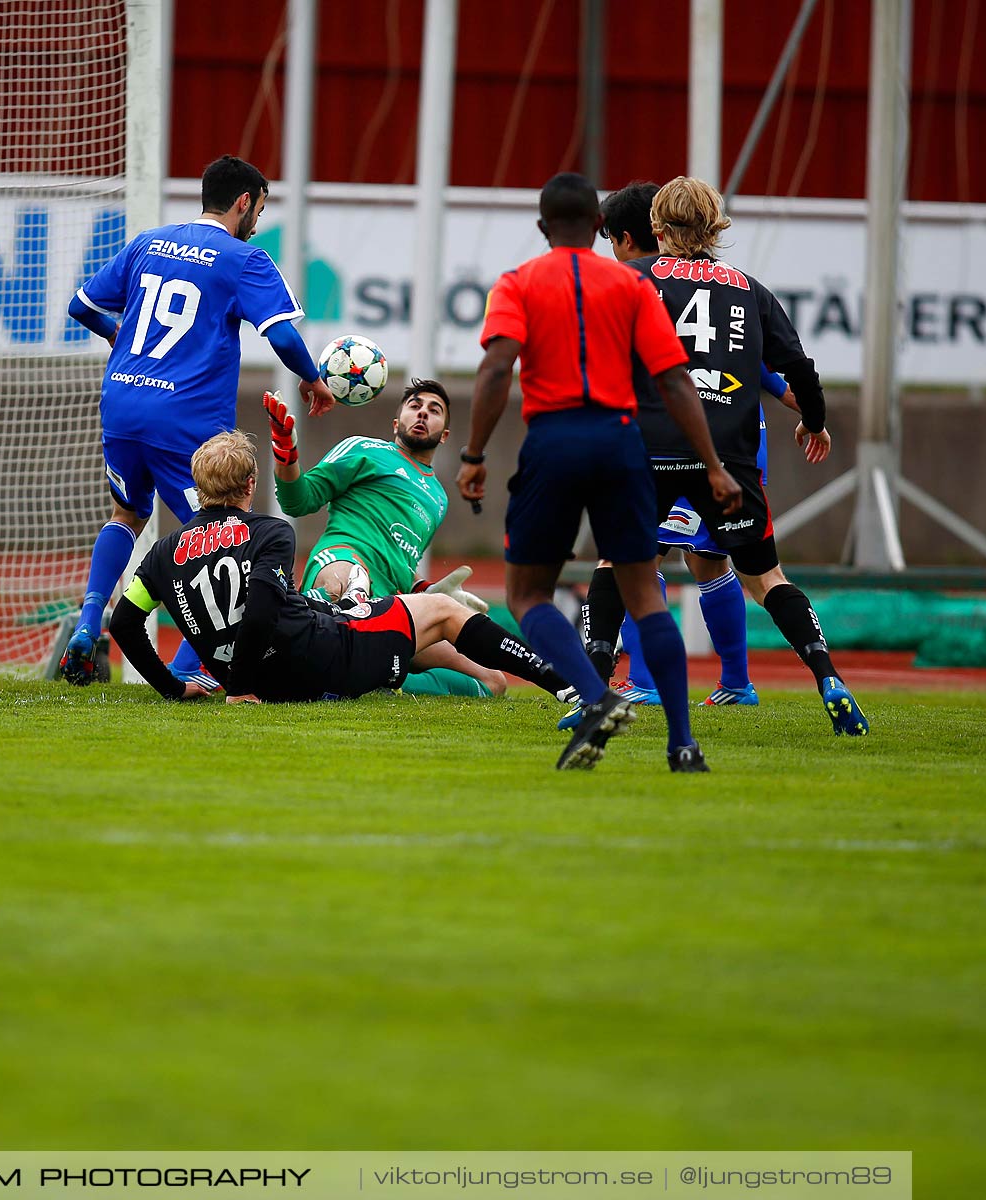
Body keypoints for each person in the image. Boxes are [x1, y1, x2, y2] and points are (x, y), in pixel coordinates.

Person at [105, 433, 617, 765]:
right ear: (249, 483)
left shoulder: (162, 554)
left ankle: (501, 673)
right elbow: (261, 603)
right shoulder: (270, 533)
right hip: (316, 658)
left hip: (273, 666)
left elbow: (126, 624)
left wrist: (174, 689)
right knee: (442, 612)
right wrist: (239, 687)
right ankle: (574, 689)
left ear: (198, 487)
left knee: (376, 604)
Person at [459, 172, 739, 773]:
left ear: (541, 228)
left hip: (555, 441)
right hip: (620, 442)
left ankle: (595, 696)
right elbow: (672, 378)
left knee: (527, 592)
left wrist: (475, 455)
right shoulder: (631, 284)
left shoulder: (518, 282)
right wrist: (713, 465)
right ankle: (683, 744)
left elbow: (495, 369)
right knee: (644, 595)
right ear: (596, 227)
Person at [580, 176, 868, 736]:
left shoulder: (631, 279)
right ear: (716, 227)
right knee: (765, 577)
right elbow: (799, 368)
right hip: (728, 461)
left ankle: (595, 690)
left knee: (618, 564)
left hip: (650, 451)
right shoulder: (750, 290)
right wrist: (813, 420)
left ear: (655, 229)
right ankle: (828, 676)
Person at [59, 154, 337, 685]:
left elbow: (80, 305)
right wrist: (312, 378)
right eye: (259, 206)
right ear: (243, 202)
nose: (257, 218)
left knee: (126, 515)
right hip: (183, 418)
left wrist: (114, 332)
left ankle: (88, 622)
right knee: (218, 539)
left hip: (121, 402)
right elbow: (279, 333)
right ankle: (199, 669)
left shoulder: (147, 243)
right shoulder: (243, 258)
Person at [267, 377, 514, 698]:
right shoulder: (364, 449)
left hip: (389, 607)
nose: (423, 413)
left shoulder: (438, 498)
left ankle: (380, 682)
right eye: (415, 406)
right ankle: (291, 651)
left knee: (494, 681)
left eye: (434, 410)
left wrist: (427, 589)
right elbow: (297, 501)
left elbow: (398, 558)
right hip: (343, 560)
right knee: (345, 581)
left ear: (445, 435)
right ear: (397, 422)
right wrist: (286, 451)